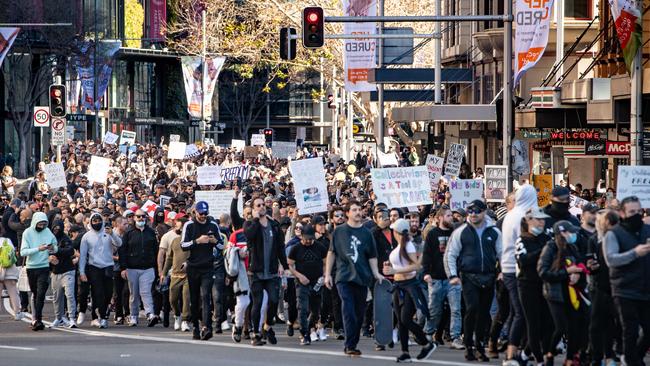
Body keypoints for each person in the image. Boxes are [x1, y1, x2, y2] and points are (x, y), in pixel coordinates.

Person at [324, 200, 385, 356]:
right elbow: (331, 253)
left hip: (362, 278)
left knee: (358, 314)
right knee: (348, 310)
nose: (358, 212)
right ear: (348, 213)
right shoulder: (339, 232)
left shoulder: (367, 233)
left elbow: (372, 256)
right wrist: (327, 274)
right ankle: (349, 345)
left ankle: (353, 343)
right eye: (354, 210)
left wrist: (376, 273)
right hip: (343, 277)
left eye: (359, 209)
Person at [444, 199, 502, 361]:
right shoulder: (461, 231)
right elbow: (450, 254)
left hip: (489, 277)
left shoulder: (494, 232)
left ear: (484, 212)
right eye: (470, 211)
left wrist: (503, 271)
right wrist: (453, 275)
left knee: (484, 313)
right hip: (469, 277)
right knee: (472, 308)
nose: (473, 214)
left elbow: (503, 253)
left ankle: (479, 347)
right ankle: (468, 345)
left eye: (477, 211)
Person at [603, 196, 650, 366]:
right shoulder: (613, 234)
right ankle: (631, 361)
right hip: (625, 289)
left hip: (645, 288)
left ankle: (634, 357)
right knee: (630, 331)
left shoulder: (647, 230)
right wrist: (635, 253)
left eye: (639, 211)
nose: (636, 215)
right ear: (622, 213)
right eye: (632, 212)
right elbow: (611, 260)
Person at [383, 218, 437, 362]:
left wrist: (394, 270)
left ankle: (426, 343)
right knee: (401, 321)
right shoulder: (400, 246)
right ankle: (405, 352)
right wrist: (389, 268)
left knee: (405, 318)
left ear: (397, 232)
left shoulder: (409, 246)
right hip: (398, 285)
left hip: (409, 286)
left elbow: (415, 266)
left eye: (393, 230)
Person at [537, 220, 589, 366]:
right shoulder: (550, 248)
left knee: (575, 327)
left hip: (572, 293)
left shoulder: (572, 247)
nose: (573, 234)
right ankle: (549, 352)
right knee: (560, 327)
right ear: (562, 233)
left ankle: (571, 357)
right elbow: (543, 272)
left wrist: (578, 273)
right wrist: (566, 272)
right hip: (555, 293)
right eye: (570, 232)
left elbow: (579, 264)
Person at [499, 184, 538, 364]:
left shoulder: (511, 215)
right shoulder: (523, 216)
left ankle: (521, 351)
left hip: (508, 267)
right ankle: (512, 354)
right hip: (517, 269)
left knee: (518, 311)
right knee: (521, 313)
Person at [243, 196, 288, 346]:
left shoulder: (274, 225)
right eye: (258, 205)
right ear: (254, 208)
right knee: (257, 303)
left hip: (272, 271)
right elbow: (250, 236)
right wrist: (255, 220)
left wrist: (285, 266)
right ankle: (256, 334)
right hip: (256, 271)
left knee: (274, 301)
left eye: (263, 204)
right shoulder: (249, 224)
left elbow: (280, 246)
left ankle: (267, 326)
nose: (262, 207)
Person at [514, 207, 553, 366]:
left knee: (549, 323)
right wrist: (542, 252)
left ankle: (525, 354)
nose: (542, 222)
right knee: (533, 324)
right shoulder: (521, 240)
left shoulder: (547, 238)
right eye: (538, 219)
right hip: (527, 285)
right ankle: (539, 359)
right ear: (528, 221)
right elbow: (523, 261)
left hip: (545, 284)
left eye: (543, 220)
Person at [422, 206, 463, 349]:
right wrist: (426, 273)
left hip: (452, 278)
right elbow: (426, 255)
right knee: (434, 309)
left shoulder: (456, 233)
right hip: (436, 278)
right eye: (448, 215)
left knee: (456, 309)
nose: (451, 218)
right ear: (440, 218)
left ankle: (455, 337)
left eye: (451, 215)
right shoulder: (432, 234)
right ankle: (428, 333)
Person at [181, 201, 221, 341]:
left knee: (206, 296)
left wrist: (214, 241)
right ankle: (196, 327)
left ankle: (206, 327)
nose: (203, 216)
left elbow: (222, 246)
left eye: (206, 213)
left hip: (208, 266)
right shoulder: (189, 225)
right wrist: (197, 241)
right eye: (201, 213)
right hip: (193, 266)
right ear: (195, 212)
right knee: (194, 298)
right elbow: (183, 245)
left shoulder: (213, 225)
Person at [79, 212, 122, 328]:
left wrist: (112, 233)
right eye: (94, 221)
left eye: (99, 221)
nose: (97, 223)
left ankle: (101, 312)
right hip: (94, 267)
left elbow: (119, 243)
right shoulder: (86, 236)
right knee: (98, 292)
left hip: (108, 266)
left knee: (108, 293)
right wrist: (82, 272)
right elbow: (83, 256)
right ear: (91, 223)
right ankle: (101, 317)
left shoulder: (108, 232)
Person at [588, 209, 620, 366]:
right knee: (596, 323)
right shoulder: (594, 239)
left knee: (612, 323)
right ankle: (597, 356)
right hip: (599, 286)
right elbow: (590, 259)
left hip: (615, 285)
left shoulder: (618, 237)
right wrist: (590, 265)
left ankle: (610, 354)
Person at [287, 224, 327, 346]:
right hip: (302, 282)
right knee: (302, 308)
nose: (308, 241)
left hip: (317, 281)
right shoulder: (296, 248)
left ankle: (310, 327)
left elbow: (326, 263)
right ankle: (304, 333)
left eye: (311, 239)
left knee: (316, 310)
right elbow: (289, 265)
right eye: (306, 239)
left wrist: (324, 275)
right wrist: (299, 276)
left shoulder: (320, 247)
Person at [119, 209, 160, 327]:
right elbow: (123, 250)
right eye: (138, 217)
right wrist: (123, 268)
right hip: (132, 268)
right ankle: (133, 315)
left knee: (145, 291)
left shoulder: (151, 232)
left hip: (148, 268)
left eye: (143, 216)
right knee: (134, 294)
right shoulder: (128, 233)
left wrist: (156, 267)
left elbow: (156, 250)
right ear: (134, 218)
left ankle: (150, 314)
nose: (141, 219)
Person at [20, 211, 58, 331]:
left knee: (41, 294)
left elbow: (55, 246)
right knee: (35, 293)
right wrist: (38, 249)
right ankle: (35, 319)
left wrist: (52, 248)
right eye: (40, 224)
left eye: (44, 224)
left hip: (44, 266)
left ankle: (38, 319)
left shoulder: (48, 232)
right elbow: (23, 252)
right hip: (31, 267)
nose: (42, 226)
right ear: (35, 222)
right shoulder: (27, 233)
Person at [162, 217, 191, 332]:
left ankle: (185, 320)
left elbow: (196, 256)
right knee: (172, 299)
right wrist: (163, 273)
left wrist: (188, 263)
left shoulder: (191, 241)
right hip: (175, 275)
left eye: (179, 227)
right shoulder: (175, 241)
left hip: (188, 275)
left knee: (186, 297)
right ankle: (177, 315)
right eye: (176, 227)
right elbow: (169, 258)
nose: (176, 229)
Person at [48, 220, 77, 328]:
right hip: (55, 272)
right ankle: (58, 318)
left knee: (69, 295)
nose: (56, 230)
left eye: (58, 228)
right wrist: (49, 258)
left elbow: (70, 251)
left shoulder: (66, 239)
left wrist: (56, 250)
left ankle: (72, 318)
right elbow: (44, 251)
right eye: (54, 228)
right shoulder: (49, 238)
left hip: (67, 271)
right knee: (56, 297)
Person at [0, 228, 21, 320]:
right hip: (9, 269)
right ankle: (17, 313)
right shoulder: (6, 240)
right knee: (13, 292)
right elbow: (13, 254)